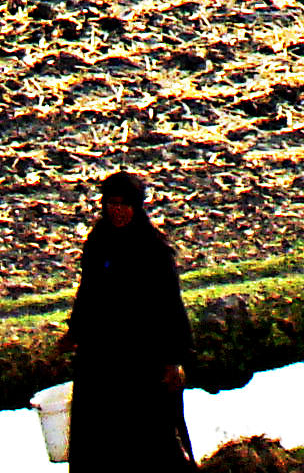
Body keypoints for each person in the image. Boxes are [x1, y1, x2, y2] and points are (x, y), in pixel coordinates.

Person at [63, 171, 192, 473]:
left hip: (142, 357)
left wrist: (174, 359)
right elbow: (88, 290)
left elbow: (171, 305)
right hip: (101, 355)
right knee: (98, 434)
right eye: (111, 204)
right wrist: (75, 330)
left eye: (124, 204)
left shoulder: (154, 250)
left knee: (152, 435)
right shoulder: (98, 242)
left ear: (137, 206)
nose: (117, 211)